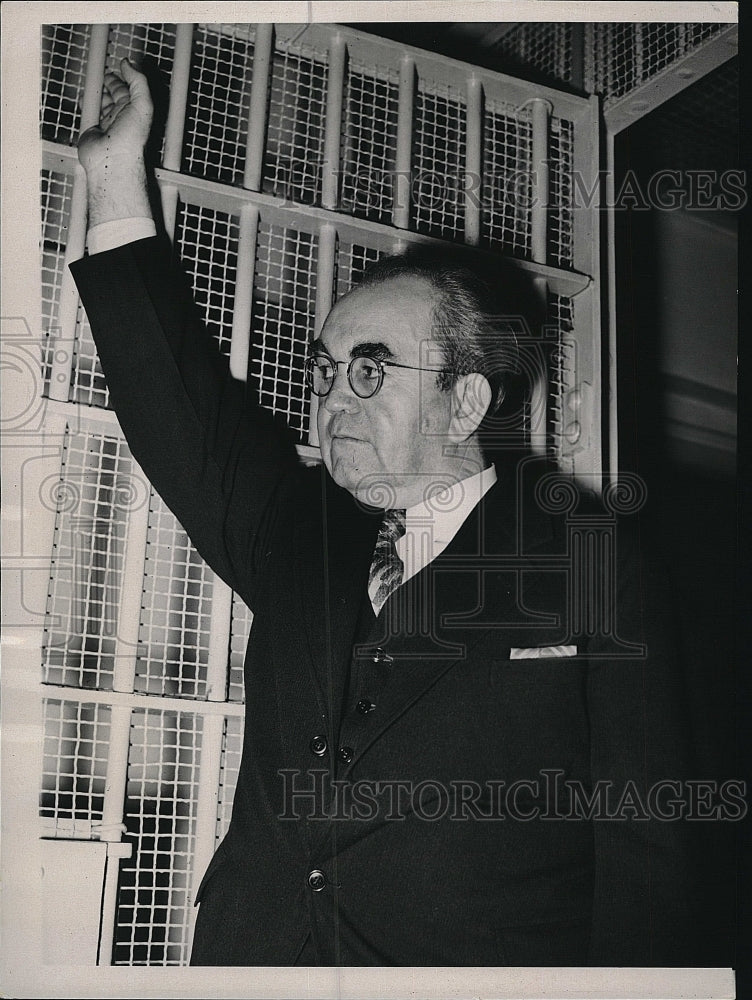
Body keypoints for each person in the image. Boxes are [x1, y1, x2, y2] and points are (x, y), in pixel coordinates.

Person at [70, 59, 701, 967]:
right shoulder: (297, 532)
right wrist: (113, 174)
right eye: (326, 372)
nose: (332, 402)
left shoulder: (592, 568)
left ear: (465, 402)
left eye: (370, 371)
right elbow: (178, 411)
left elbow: (650, 859)